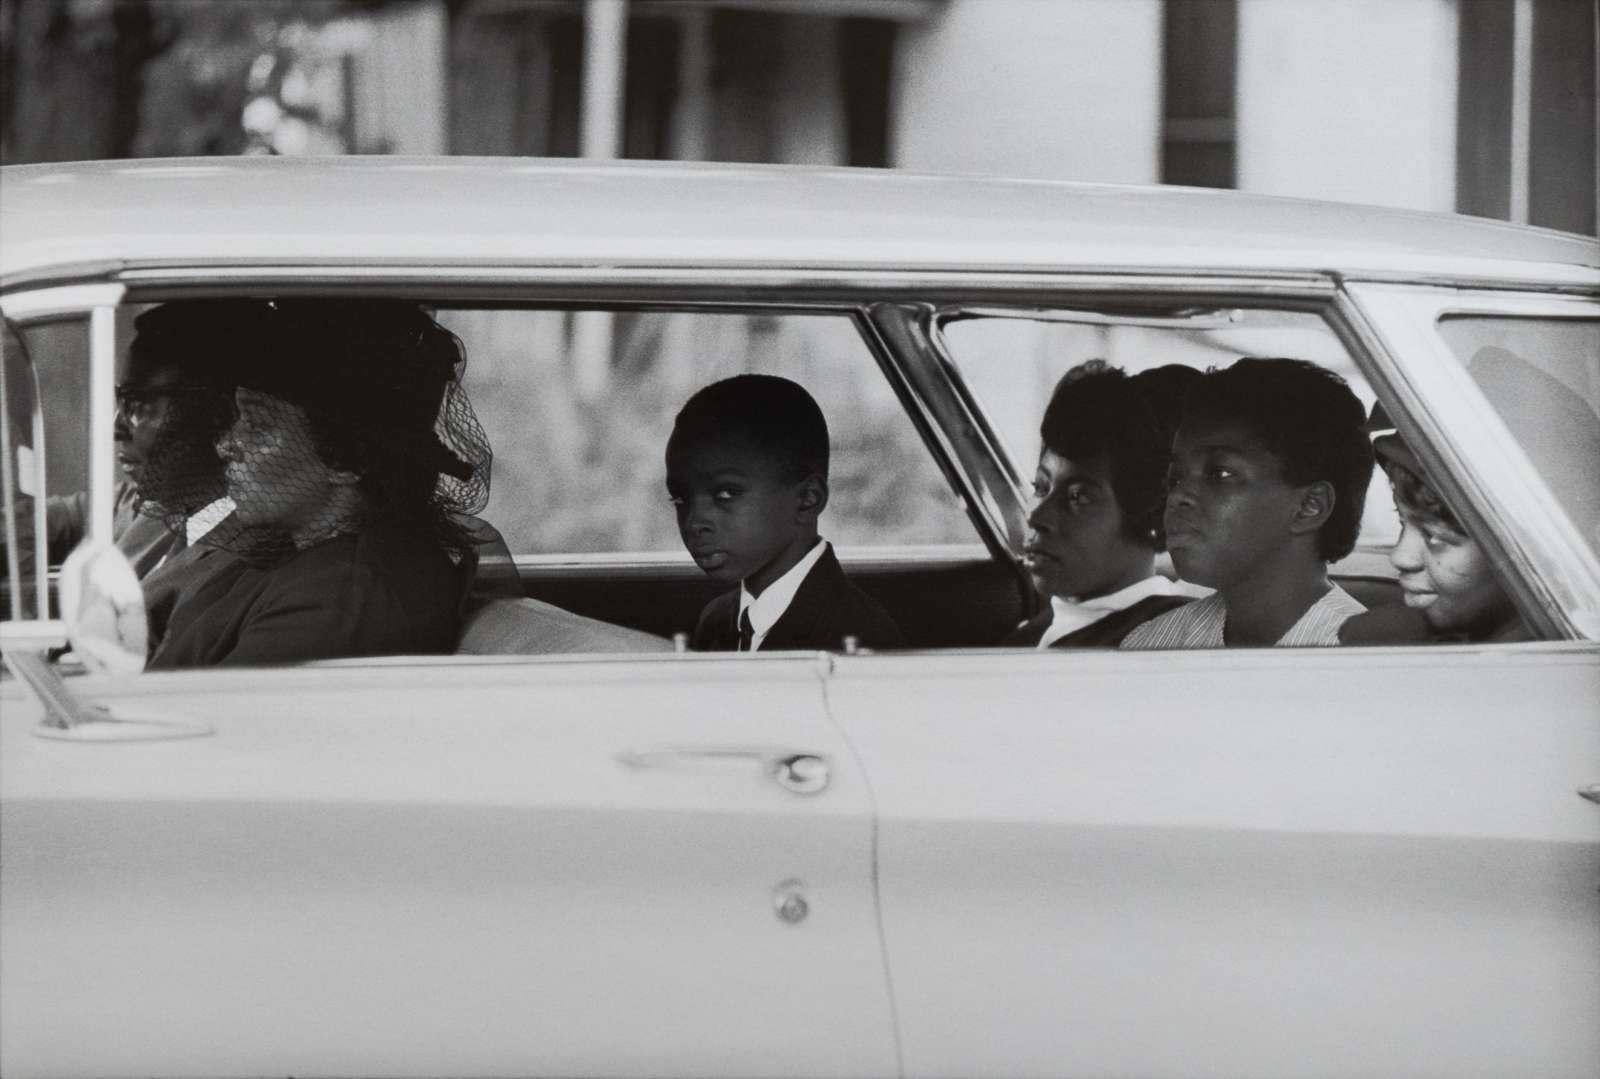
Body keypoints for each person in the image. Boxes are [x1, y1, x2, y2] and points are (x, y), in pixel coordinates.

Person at [147, 300, 491, 668]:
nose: (224, 445)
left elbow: (218, 715)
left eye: (259, 427)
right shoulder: (289, 553)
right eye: (237, 420)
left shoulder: (341, 599)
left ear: (346, 460)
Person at [1122, 357, 1374, 648]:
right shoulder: (1153, 643)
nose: (1178, 497)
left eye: (1220, 474)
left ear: (1309, 506)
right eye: (1175, 479)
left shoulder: (1361, 658)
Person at [666, 374, 902, 652]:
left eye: (726, 493)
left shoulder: (858, 635)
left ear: (807, 500)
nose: (694, 522)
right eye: (680, 499)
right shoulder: (717, 620)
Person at [1004, 361, 1208, 648]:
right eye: (1040, 487)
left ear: (1153, 516)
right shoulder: (1044, 628)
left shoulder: (1168, 642)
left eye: (1079, 497)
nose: (1037, 516)